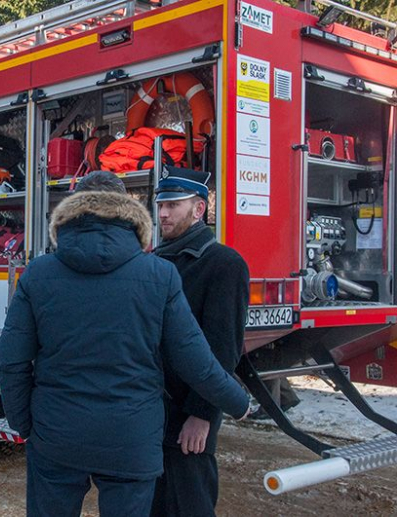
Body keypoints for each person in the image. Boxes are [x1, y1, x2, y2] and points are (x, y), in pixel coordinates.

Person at [0, 187, 250, 517]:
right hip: (132, 439)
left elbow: (11, 360)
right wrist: (237, 402)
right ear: (129, 218)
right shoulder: (159, 274)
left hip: (56, 434)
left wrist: (24, 423)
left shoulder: (39, 273)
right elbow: (196, 360)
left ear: (68, 219)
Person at [149, 166, 250, 517]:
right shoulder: (155, 261)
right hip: (151, 412)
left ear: (198, 209)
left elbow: (224, 348)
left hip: (189, 413)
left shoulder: (223, 263)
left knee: (191, 502)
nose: (163, 213)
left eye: (174, 205)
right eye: (160, 204)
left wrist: (202, 414)